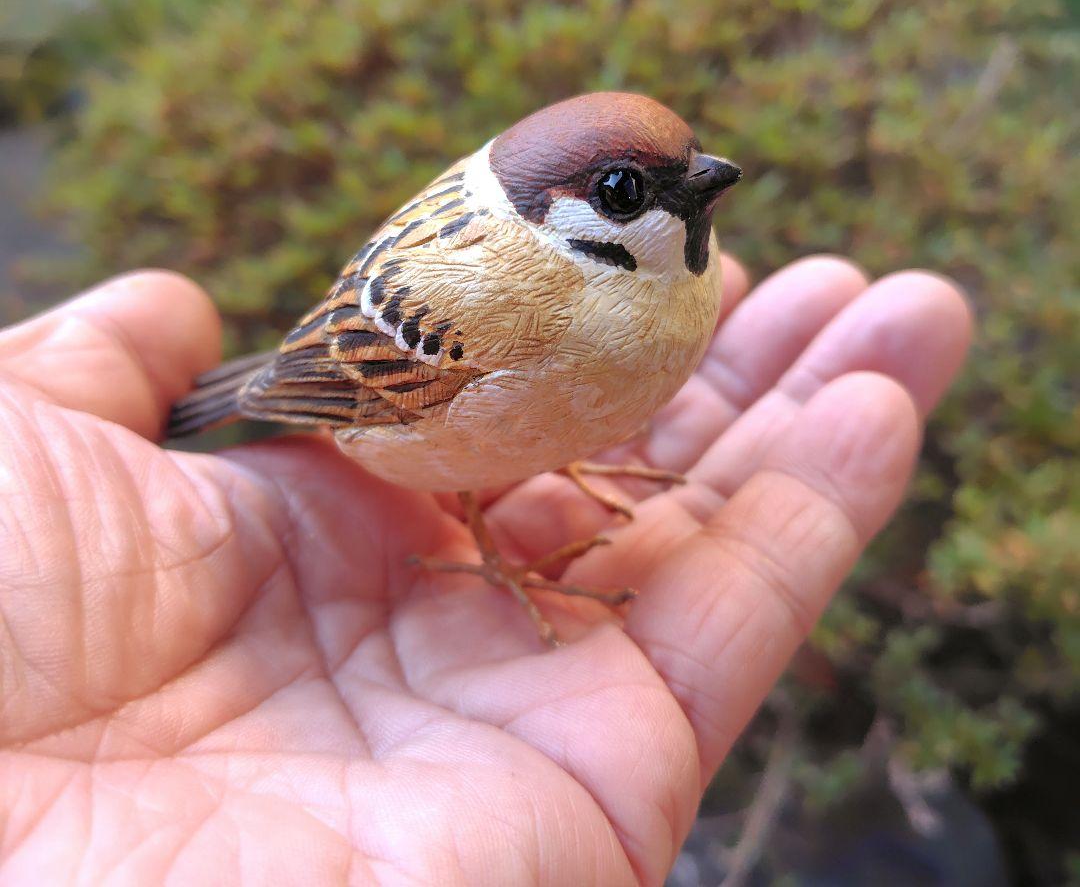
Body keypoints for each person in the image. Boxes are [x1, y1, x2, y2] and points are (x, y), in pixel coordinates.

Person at [0, 255, 971, 884]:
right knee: (469, 443)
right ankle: (502, 542)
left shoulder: (661, 292)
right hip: (377, 403)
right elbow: (369, 362)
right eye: (632, 192)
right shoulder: (498, 306)